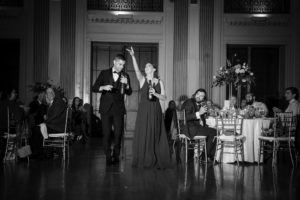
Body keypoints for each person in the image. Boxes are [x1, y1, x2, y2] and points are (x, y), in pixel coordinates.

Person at [127, 46, 172, 169]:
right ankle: (145, 158)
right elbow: (136, 70)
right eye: (145, 67)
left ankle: (156, 157)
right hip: (144, 110)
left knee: (155, 132)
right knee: (144, 132)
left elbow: (164, 97)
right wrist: (133, 56)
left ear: (154, 69)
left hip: (155, 109)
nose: (146, 68)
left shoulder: (159, 81)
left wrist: (155, 93)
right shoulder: (142, 80)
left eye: (148, 66)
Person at [92, 54, 132, 165]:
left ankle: (116, 154)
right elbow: (94, 87)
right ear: (114, 62)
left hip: (118, 109)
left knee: (118, 133)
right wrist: (103, 87)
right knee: (106, 133)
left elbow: (129, 92)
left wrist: (127, 85)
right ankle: (108, 156)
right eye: (120, 64)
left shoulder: (125, 75)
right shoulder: (104, 73)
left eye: (123, 65)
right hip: (106, 109)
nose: (121, 67)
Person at [29, 87, 67, 158]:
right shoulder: (52, 103)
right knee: (36, 129)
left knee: (36, 129)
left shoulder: (58, 102)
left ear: (54, 93)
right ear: (46, 95)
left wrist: (45, 122)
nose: (50, 94)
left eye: (51, 92)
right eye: (48, 93)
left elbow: (54, 116)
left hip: (57, 128)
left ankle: (39, 153)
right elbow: (50, 116)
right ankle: (41, 152)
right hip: (53, 126)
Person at [181, 88, 217, 161]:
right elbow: (186, 117)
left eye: (201, 96)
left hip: (195, 127)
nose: (198, 96)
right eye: (198, 94)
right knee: (214, 132)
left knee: (213, 131)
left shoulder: (197, 104)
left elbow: (199, 117)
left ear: (204, 98)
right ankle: (206, 156)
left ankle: (205, 156)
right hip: (190, 129)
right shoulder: (189, 102)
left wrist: (203, 115)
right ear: (195, 94)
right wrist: (199, 113)